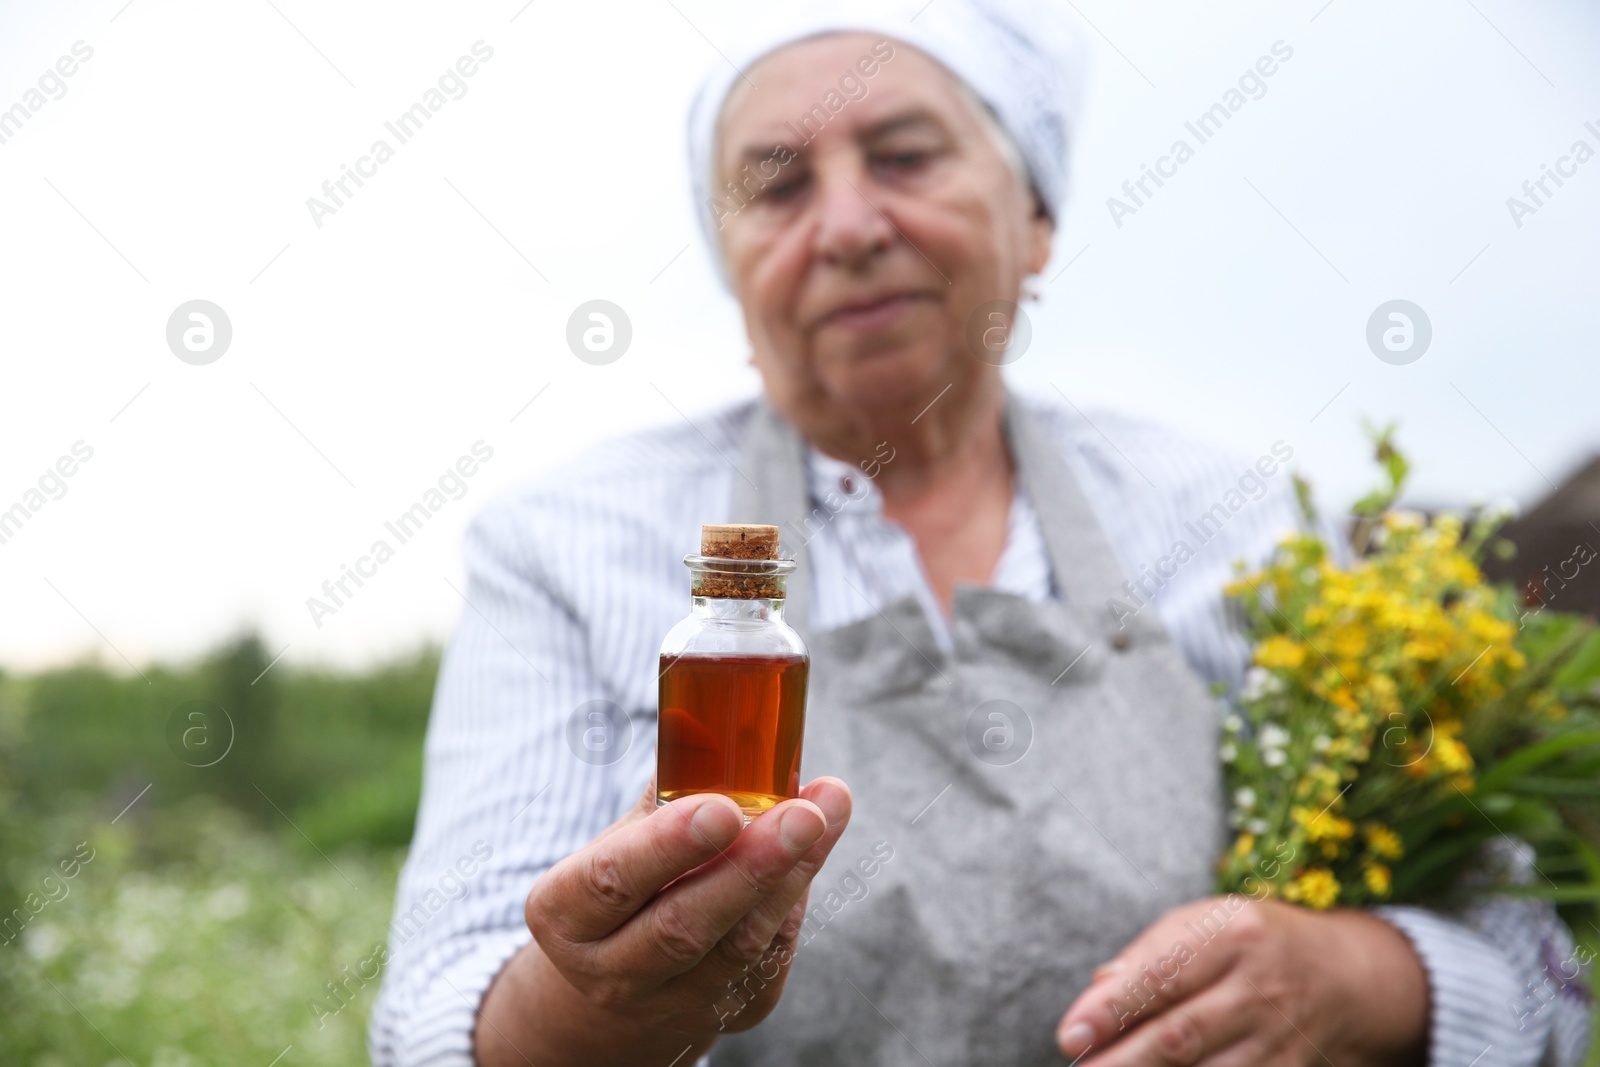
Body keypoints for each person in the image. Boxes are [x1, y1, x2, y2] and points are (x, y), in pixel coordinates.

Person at [370, 2, 1591, 1064]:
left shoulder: (1240, 516)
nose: (845, 225)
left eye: (902, 156)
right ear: (733, 269)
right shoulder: (561, 540)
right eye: (778, 185)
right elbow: (430, 1019)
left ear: (1036, 218)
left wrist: (1359, 979)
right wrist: (599, 1006)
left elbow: (1543, 977)